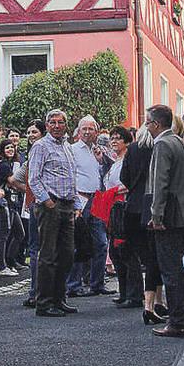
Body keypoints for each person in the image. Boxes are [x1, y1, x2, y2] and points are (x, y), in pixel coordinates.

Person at [145, 105, 184, 338]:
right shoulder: (183, 144)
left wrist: (156, 215)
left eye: (148, 123)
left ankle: (180, 320)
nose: (147, 127)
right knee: (175, 267)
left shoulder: (162, 144)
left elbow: (160, 183)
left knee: (170, 269)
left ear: (156, 124)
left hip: (171, 214)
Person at [29, 109, 83, 317]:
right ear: (47, 125)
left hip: (68, 205)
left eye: (61, 122)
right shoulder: (41, 146)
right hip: (51, 205)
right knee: (48, 255)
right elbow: (33, 178)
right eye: (52, 122)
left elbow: (71, 177)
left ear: (66, 125)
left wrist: (76, 203)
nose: (57, 125)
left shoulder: (67, 147)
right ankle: (44, 302)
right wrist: (47, 201)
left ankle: (59, 298)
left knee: (67, 254)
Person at [121, 125, 167, 323]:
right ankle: (153, 302)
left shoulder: (132, 149)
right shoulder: (159, 148)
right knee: (154, 258)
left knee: (144, 257)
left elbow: (125, 177)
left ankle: (155, 302)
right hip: (152, 207)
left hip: (132, 207)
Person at [66, 115, 115, 298]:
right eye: (84, 129)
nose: (87, 132)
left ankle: (97, 283)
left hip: (97, 198)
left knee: (101, 243)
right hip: (80, 198)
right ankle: (73, 285)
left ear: (96, 131)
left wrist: (102, 160)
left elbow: (108, 173)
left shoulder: (100, 151)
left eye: (91, 129)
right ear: (78, 132)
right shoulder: (71, 150)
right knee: (78, 243)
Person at [8, 120, 46, 308]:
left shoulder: (38, 153)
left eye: (34, 132)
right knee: (37, 249)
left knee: (38, 249)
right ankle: (36, 291)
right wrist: (31, 191)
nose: (30, 135)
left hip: (38, 205)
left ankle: (38, 291)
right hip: (37, 206)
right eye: (29, 132)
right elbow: (14, 180)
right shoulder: (31, 156)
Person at [103, 126, 142, 307]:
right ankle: (124, 290)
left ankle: (134, 294)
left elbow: (131, 183)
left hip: (124, 207)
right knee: (116, 252)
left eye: (118, 138)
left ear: (127, 141)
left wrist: (112, 192)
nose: (114, 141)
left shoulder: (129, 159)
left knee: (127, 251)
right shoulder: (114, 161)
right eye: (112, 138)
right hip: (113, 209)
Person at [0, 139, 25, 276]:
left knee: (19, 233)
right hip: (4, 203)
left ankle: (10, 261)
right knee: (4, 234)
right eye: (7, 148)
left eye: (12, 147)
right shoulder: (3, 165)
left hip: (12, 203)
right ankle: (2, 265)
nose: (10, 150)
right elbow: (13, 182)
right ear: (2, 150)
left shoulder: (12, 163)